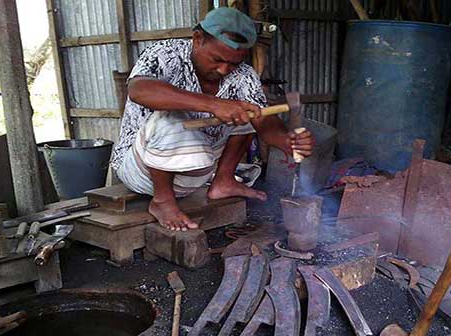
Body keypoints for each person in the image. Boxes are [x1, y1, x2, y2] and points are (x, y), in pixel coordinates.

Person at [110, 7, 315, 231]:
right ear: (198, 39)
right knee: (168, 119)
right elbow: (139, 90)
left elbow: (263, 122)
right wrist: (215, 104)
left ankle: (224, 181)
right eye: (217, 59)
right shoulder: (165, 53)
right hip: (142, 172)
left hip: (196, 173)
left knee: (246, 113)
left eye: (233, 63)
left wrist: (285, 140)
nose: (224, 69)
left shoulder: (243, 76)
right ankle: (162, 201)